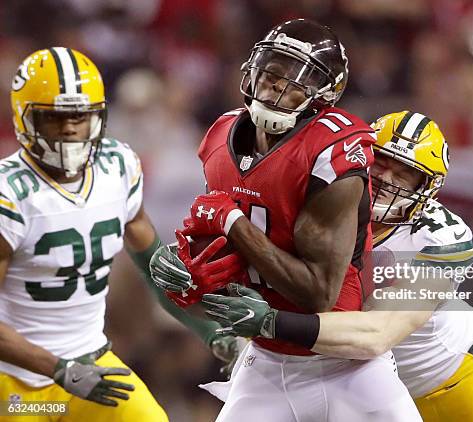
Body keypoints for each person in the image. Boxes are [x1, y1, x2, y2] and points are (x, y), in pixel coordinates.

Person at [151, 19, 421, 422]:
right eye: (271, 69)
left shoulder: (331, 151)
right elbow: (235, 267)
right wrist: (184, 267)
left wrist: (233, 226)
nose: (275, 83)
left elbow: (317, 295)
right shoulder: (221, 138)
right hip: (266, 362)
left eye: (293, 77)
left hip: (348, 369)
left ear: (322, 94)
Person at [200, 111, 473, 421]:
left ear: (427, 190)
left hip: (445, 376)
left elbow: (377, 334)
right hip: (343, 382)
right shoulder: (312, 202)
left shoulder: (437, 238)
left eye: (406, 175)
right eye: (382, 162)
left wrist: (271, 323)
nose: (387, 180)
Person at [0, 48, 235, 421]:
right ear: (24, 119)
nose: (70, 130)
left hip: (93, 364)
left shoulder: (117, 166)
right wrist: (59, 369)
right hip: (17, 382)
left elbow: (157, 268)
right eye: (54, 118)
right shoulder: (9, 194)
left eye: (80, 115)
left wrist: (207, 330)